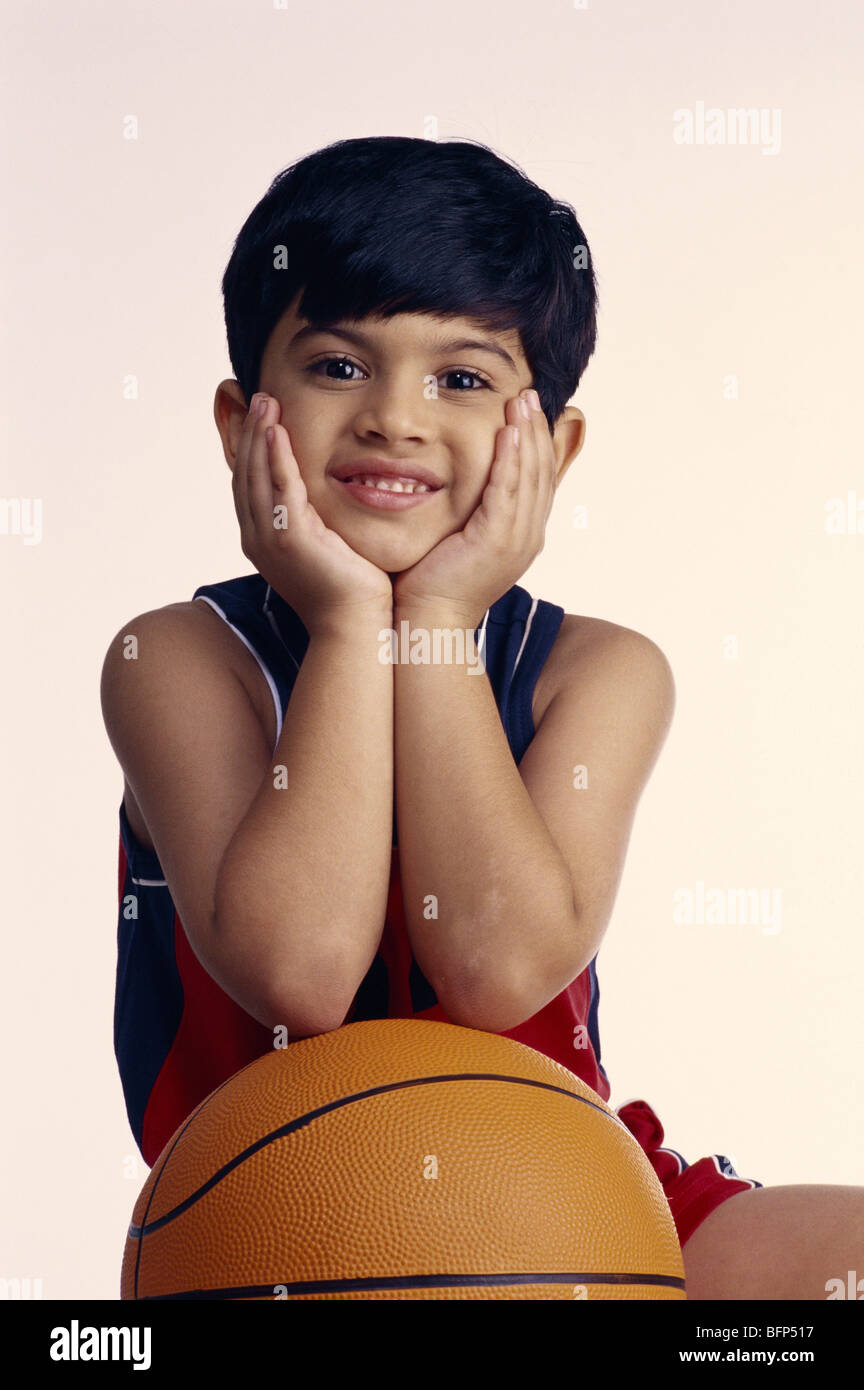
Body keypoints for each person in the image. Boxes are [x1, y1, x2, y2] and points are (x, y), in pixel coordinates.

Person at [101, 135, 864, 1300]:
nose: (395, 420)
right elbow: (300, 970)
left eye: (461, 379)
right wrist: (358, 625)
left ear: (551, 449)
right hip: (290, 1234)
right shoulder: (180, 662)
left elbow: (496, 964)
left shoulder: (596, 674)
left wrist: (443, 618)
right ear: (239, 420)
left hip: (571, 1205)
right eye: (338, 367)